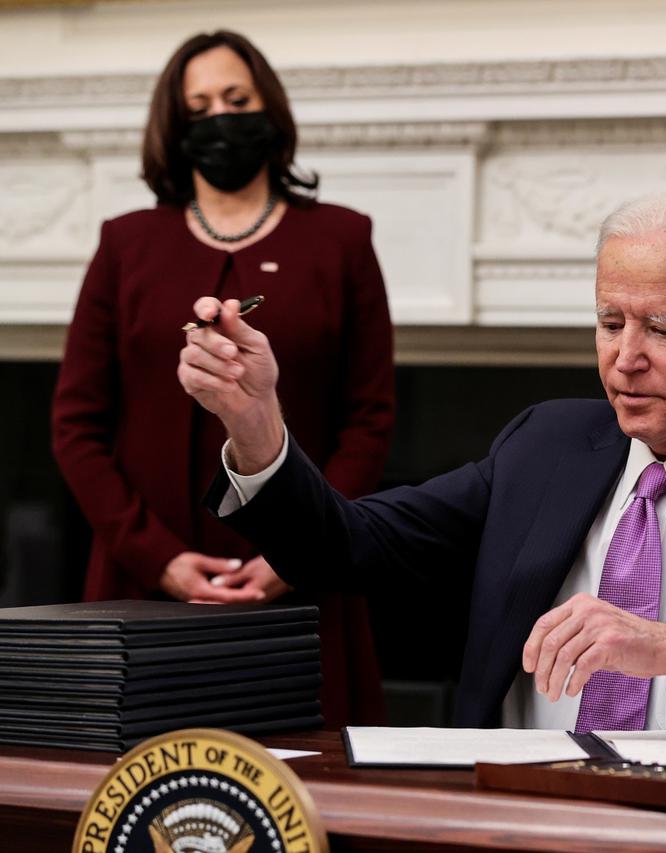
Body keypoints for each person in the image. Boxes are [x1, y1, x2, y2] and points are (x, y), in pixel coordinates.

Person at [179, 192, 666, 738]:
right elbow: (344, 544)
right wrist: (256, 427)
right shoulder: (545, 445)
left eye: (663, 328)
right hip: (512, 822)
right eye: (610, 322)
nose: (625, 357)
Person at [51, 30, 394, 726]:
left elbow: (371, 418)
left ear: (269, 109)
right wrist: (157, 556)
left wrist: (300, 551)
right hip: (141, 587)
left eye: (236, 99)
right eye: (199, 106)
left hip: (304, 585)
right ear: (176, 129)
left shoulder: (343, 239)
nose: (220, 119)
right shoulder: (125, 244)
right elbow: (76, 423)